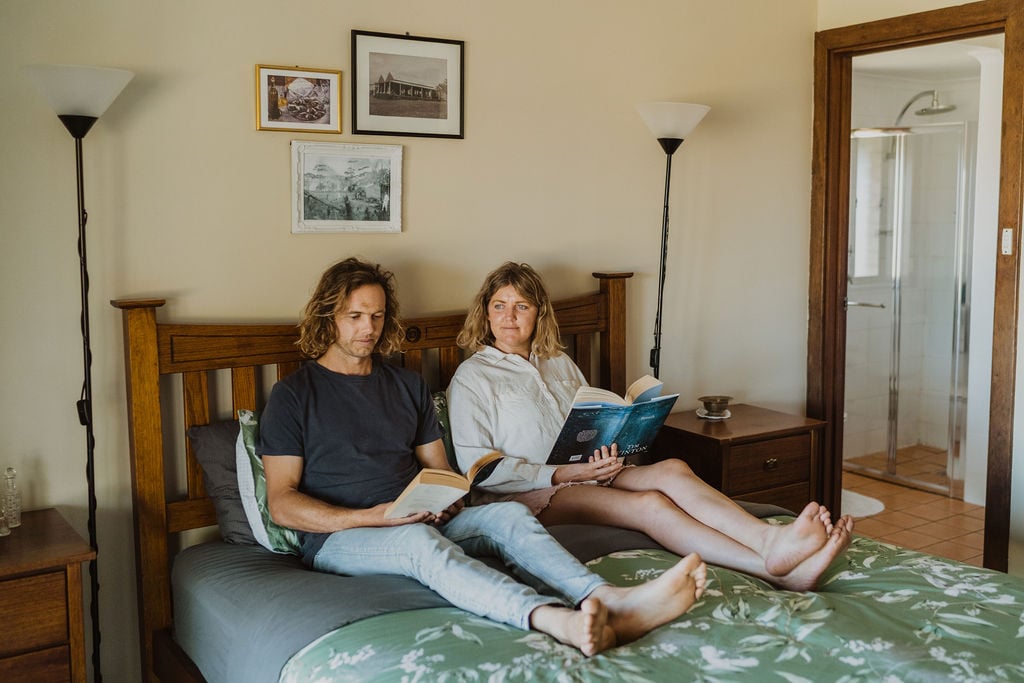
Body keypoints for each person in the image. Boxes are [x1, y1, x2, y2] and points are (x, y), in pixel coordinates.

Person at [258, 257, 708, 657]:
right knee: (419, 545)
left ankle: (609, 599)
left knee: (509, 516)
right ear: (328, 316)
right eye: (355, 316)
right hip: (345, 536)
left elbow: (440, 469)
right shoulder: (294, 395)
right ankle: (554, 620)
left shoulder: (406, 385)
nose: (368, 329)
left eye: (377, 316)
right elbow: (282, 502)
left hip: (419, 515)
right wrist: (371, 517)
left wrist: (445, 500)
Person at [448, 262, 854, 592]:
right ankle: (772, 571)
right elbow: (480, 469)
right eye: (499, 305)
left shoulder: (559, 362)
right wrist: (566, 474)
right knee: (649, 505)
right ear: (486, 312)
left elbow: (584, 424)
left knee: (674, 468)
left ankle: (771, 540)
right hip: (529, 493)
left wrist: (610, 446)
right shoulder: (472, 378)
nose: (509, 317)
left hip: (589, 472)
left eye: (521, 306)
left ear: (539, 314)